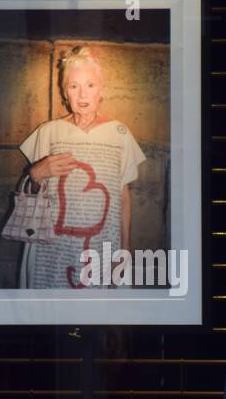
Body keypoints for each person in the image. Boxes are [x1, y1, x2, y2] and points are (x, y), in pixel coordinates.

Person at [16, 45, 147, 289]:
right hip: (52, 246)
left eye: (90, 85)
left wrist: (125, 248)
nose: (82, 95)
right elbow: (33, 189)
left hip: (101, 244)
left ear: (101, 91)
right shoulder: (48, 132)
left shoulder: (119, 133)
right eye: (73, 86)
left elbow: (123, 197)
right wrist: (35, 173)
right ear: (64, 93)